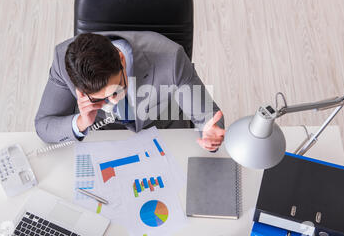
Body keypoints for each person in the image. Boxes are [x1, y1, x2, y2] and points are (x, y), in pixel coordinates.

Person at [35, 31, 225, 151]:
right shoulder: (62, 61)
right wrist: (82, 122)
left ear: (121, 59)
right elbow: (44, 125)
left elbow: (209, 117)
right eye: (99, 99)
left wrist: (211, 136)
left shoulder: (170, 58)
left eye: (116, 90)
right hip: (101, 137)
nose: (113, 103)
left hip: (158, 126)